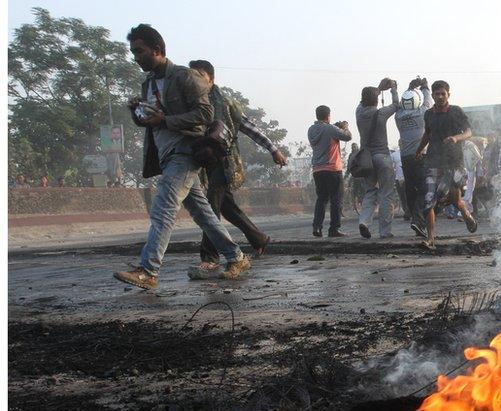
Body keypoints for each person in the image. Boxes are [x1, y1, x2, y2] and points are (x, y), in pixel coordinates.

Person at [113, 24, 248, 290]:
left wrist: (167, 119)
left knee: (163, 208)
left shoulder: (185, 77)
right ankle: (236, 256)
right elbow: (149, 122)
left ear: (158, 50)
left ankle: (149, 270)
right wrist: (135, 112)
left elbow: (205, 114)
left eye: (139, 51)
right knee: (203, 214)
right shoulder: (148, 83)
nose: (136, 57)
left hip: (186, 151)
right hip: (165, 155)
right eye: (133, 52)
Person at [186, 60, 286, 280]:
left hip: (225, 162)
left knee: (209, 208)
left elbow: (248, 127)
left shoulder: (226, 103)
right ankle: (259, 239)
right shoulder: (193, 103)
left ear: (211, 78)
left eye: (200, 74)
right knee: (228, 208)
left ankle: (210, 258)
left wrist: (273, 149)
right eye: (192, 74)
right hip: (206, 163)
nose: (196, 79)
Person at [416, 80, 477, 251]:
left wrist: (456, 138)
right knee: (428, 199)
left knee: (455, 200)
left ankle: (466, 214)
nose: (440, 96)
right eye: (437, 94)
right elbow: (427, 134)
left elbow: (469, 132)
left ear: (448, 94)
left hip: (454, 162)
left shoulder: (456, 112)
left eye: (443, 93)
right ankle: (430, 239)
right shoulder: (428, 114)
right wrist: (419, 150)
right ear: (433, 95)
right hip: (433, 161)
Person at [356, 78, 399, 238]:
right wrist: (393, 88)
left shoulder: (359, 113)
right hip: (382, 156)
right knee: (386, 194)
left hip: (366, 160)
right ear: (376, 100)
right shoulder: (380, 113)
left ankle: (364, 221)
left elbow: (361, 103)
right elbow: (396, 105)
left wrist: (379, 88)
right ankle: (385, 231)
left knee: (369, 192)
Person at [395, 77, 433, 238]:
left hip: (405, 158)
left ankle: (414, 219)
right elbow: (428, 102)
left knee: (411, 190)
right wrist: (425, 86)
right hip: (420, 156)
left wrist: (405, 88)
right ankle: (418, 221)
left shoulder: (398, 116)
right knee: (425, 190)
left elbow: (398, 104)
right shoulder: (422, 113)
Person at [308, 104, 352, 237]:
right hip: (332, 168)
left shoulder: (311, 130)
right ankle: (334, 228)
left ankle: (317, 227)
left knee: (321, 199)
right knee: (336, 199)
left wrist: (335, 126)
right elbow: (348, 136)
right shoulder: (330, 128)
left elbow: (325, 134)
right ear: (328, 116)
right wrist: (345, 127)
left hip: (317, 169)